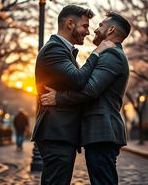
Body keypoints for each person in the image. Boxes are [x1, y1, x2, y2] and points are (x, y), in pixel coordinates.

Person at [41, 11, 131, 185]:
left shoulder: (112, 55)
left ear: (111, 30)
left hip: (102, 130)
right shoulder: (110, 54)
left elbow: (90, 89)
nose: (95, 30)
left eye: (100, 26)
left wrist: (58, 98)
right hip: (99, 132)